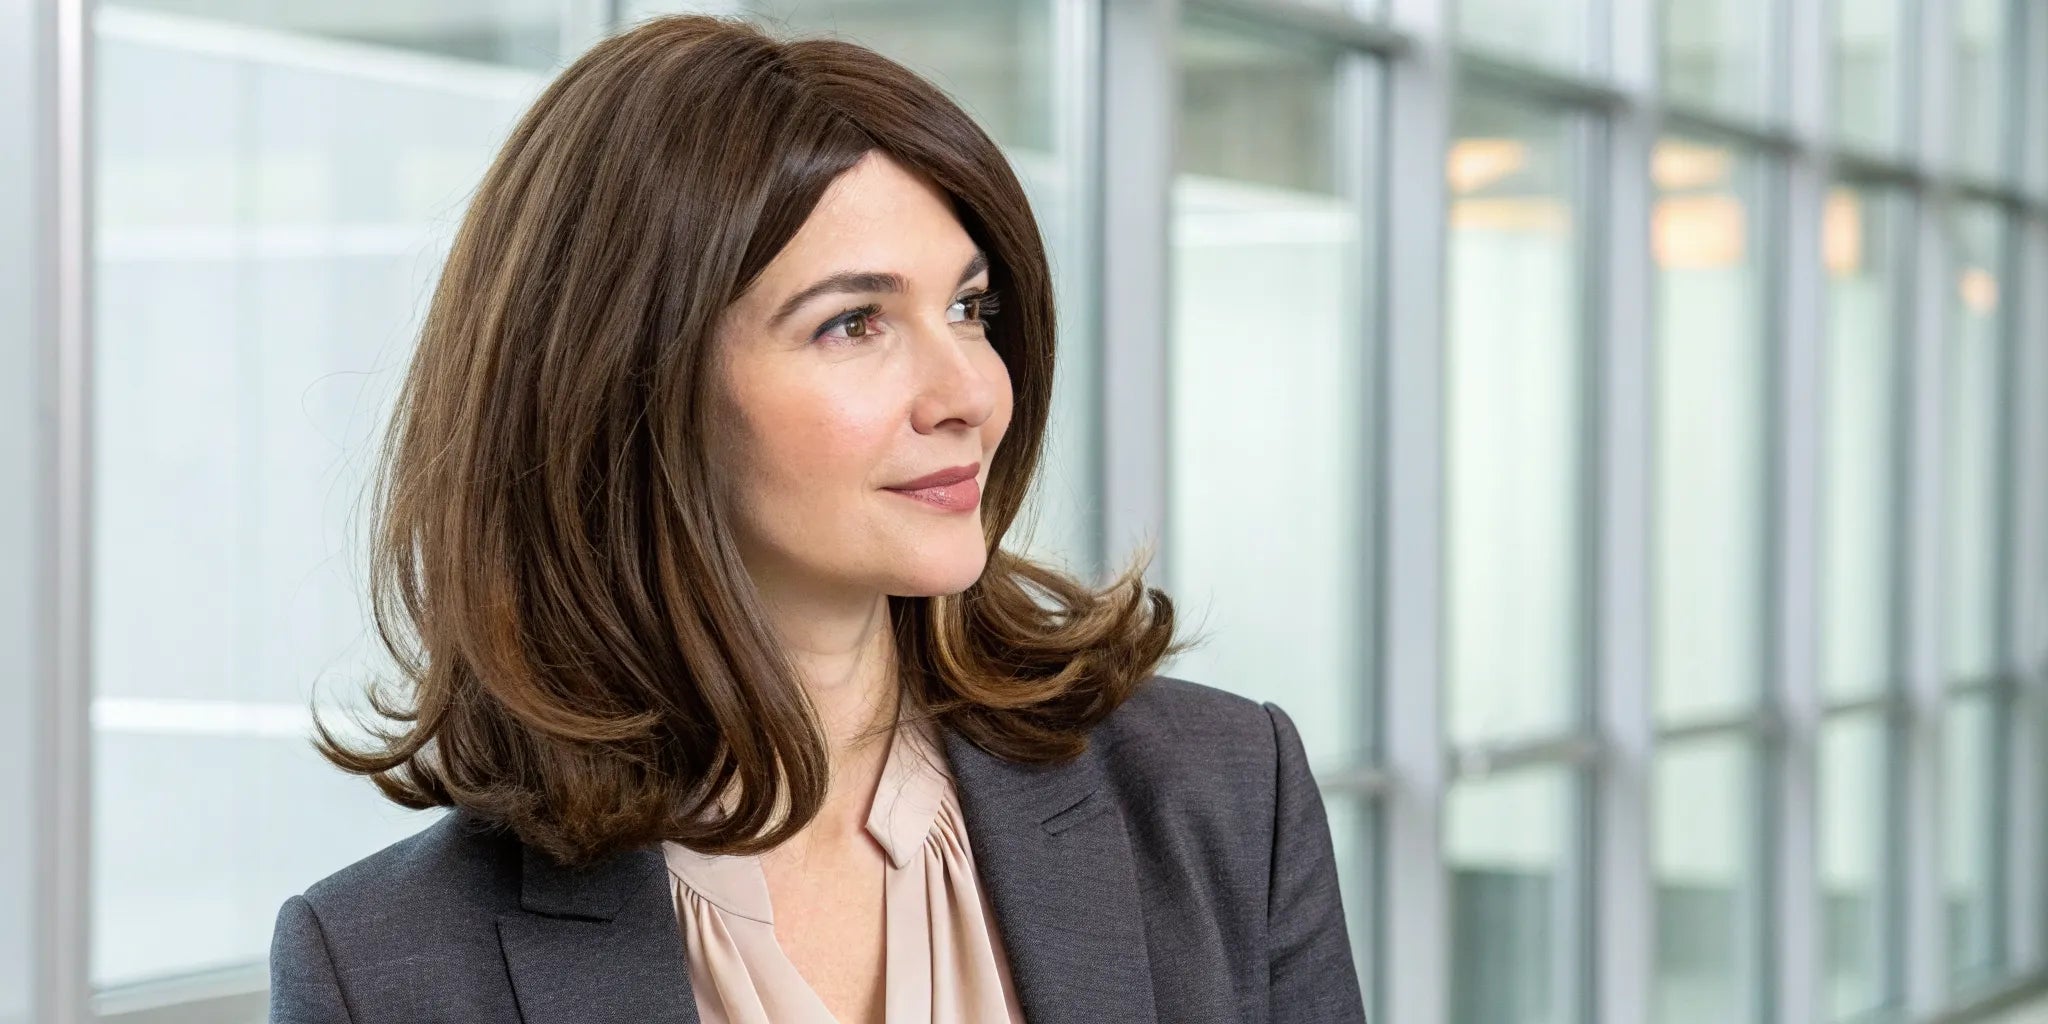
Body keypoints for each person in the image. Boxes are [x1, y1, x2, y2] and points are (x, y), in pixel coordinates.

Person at [266, 13, 1364, 1024]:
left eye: (969, 308)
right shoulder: (380, 966)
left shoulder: (1217, 795)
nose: (968, 392)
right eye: (853, 323)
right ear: (629, 384)